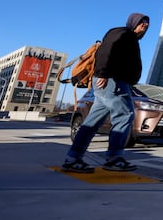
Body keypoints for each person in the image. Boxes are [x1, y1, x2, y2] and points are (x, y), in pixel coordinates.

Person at [62, 13, 150, 173]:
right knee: (125, 114)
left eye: (147, 23)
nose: (145, 24)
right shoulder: (122, 33)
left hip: (112, 82)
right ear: (133, 23)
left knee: (91, 122)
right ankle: (114, 158)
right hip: (112, 81)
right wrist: (102, 73)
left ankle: (72, 158)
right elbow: (105, 51)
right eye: (142, 21)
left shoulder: (131, 39)